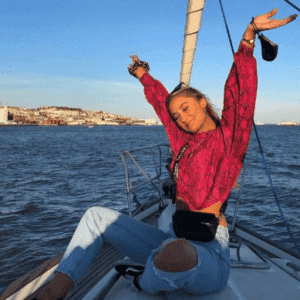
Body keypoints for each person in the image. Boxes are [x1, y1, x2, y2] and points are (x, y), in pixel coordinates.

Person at [29, 8, 297, 300]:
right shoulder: (183, 141)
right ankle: (56, 290)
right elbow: (161, 104)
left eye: (186, 108)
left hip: (207, 251)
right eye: (176, 115)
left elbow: (240, 95)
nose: (181, 117)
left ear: (203, 102)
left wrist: (248, 38)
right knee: (96, 217)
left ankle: (143, 282)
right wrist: (143, 74)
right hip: (172, 235)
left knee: (176, 253)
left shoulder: (228, 140)